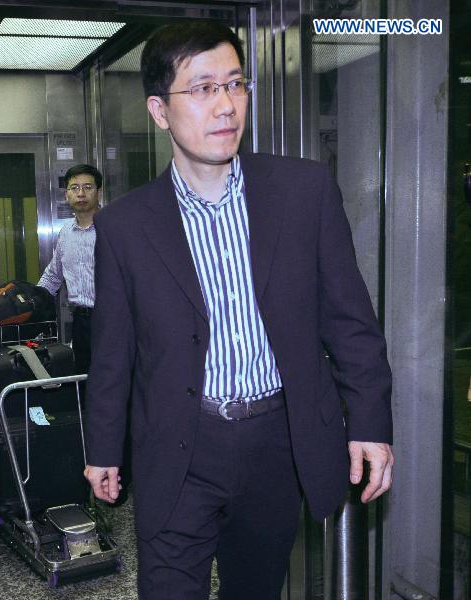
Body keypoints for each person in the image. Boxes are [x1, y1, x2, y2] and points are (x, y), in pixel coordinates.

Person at [82, 22, 394, 599]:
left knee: (256, 589)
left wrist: (371, 424)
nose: (225, 105)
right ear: (159, 109)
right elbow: (114, 352)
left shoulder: (303, 193)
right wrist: (102, 448)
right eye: (201, 88)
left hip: (276, 444)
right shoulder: (125, 226)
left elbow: (350, 321)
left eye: (235, 84)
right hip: (179, 447)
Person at [37, 164, 101, 375]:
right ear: (67, 195)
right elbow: (53, 276)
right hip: (80, 323)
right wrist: (32, 302)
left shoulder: (113, 229)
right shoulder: (66, 233)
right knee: (84, 385)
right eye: (74, 188)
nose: (81, 193)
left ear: (98, 193)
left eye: (87, 187)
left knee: (114, 385)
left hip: (113, 321)